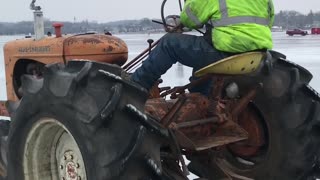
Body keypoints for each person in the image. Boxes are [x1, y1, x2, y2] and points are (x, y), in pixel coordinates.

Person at [131, 0, 274, 94]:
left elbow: (190, 19)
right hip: (256, 55)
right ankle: (199, 99)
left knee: (169, 43)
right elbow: (269, 21)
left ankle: (133, 88)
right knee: (204, 52)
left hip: (226, 52)